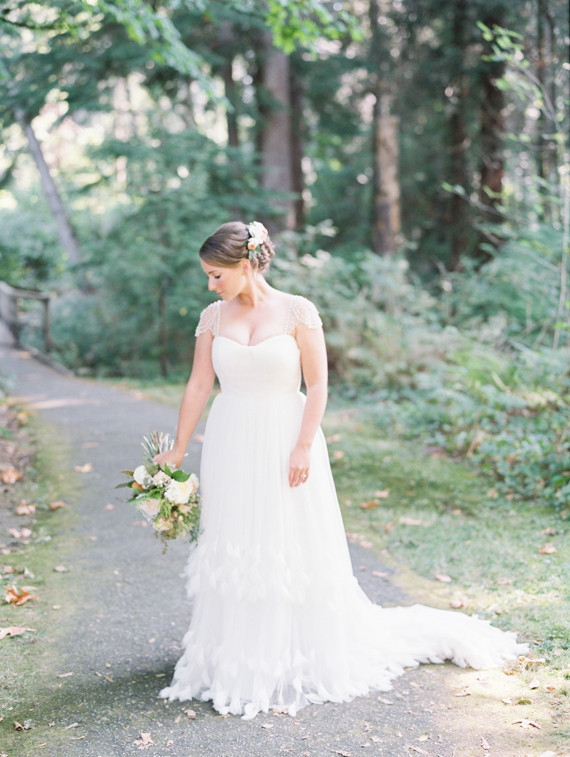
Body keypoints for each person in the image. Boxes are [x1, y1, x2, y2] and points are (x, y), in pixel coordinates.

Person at [154, 220, 527, 720]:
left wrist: (303, 446)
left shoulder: (297, 311)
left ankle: (291, 651)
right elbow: (199, 384)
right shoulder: (212, 318)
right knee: (237, 537)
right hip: (231, 439)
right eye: (207, 275)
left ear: (244, 265)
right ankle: (237, 653)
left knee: (286, 538)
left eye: (215, 275)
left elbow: (318, 384)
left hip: (286, 435)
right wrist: (178, 449)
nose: (209, 284)